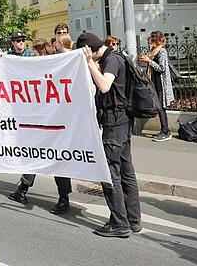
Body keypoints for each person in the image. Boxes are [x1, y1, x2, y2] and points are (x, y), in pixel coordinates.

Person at [77, 32, 141, 238]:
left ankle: (120, 223)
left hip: (115, 124)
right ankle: (132, 220)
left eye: (87, 53)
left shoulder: (112, 60)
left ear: (91, 50)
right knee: (126, 171)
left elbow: (104, 86)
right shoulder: (116, 56)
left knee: (110, 174)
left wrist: (89, 63)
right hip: (122, 122)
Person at [7, 39, 72, 214]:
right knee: (35, 154)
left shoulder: (50, 68)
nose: (33, 55)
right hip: (42, 121)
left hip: (51, 120)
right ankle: (23, 190)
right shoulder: (44, 68)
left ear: (41, 52)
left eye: (35, 52)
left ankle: (63, 198)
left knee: (55, 159)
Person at [139, 31, 174, 142]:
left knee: (161, 108)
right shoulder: (153, 51)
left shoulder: (162, 51)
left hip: (161, 84)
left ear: (157, 40)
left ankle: (166, 132)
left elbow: (162, 68)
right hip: (155, 82)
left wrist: (149, 61)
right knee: (159, 108)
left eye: (151, 39)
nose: (149, 40)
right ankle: (164, 130)